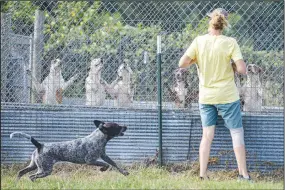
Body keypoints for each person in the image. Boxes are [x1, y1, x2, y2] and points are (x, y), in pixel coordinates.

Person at [178, 8, 251, 181]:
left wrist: (196, 60)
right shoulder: (230, 42)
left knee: (207, 136)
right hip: (227, 96)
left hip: (206, 97)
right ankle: (244, 175)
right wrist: (232, 65)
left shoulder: (198, 41)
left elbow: (182, 63)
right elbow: (242, 70)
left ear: (209, 21)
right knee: (236, 134)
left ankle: (203, 175)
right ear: (224, 23)